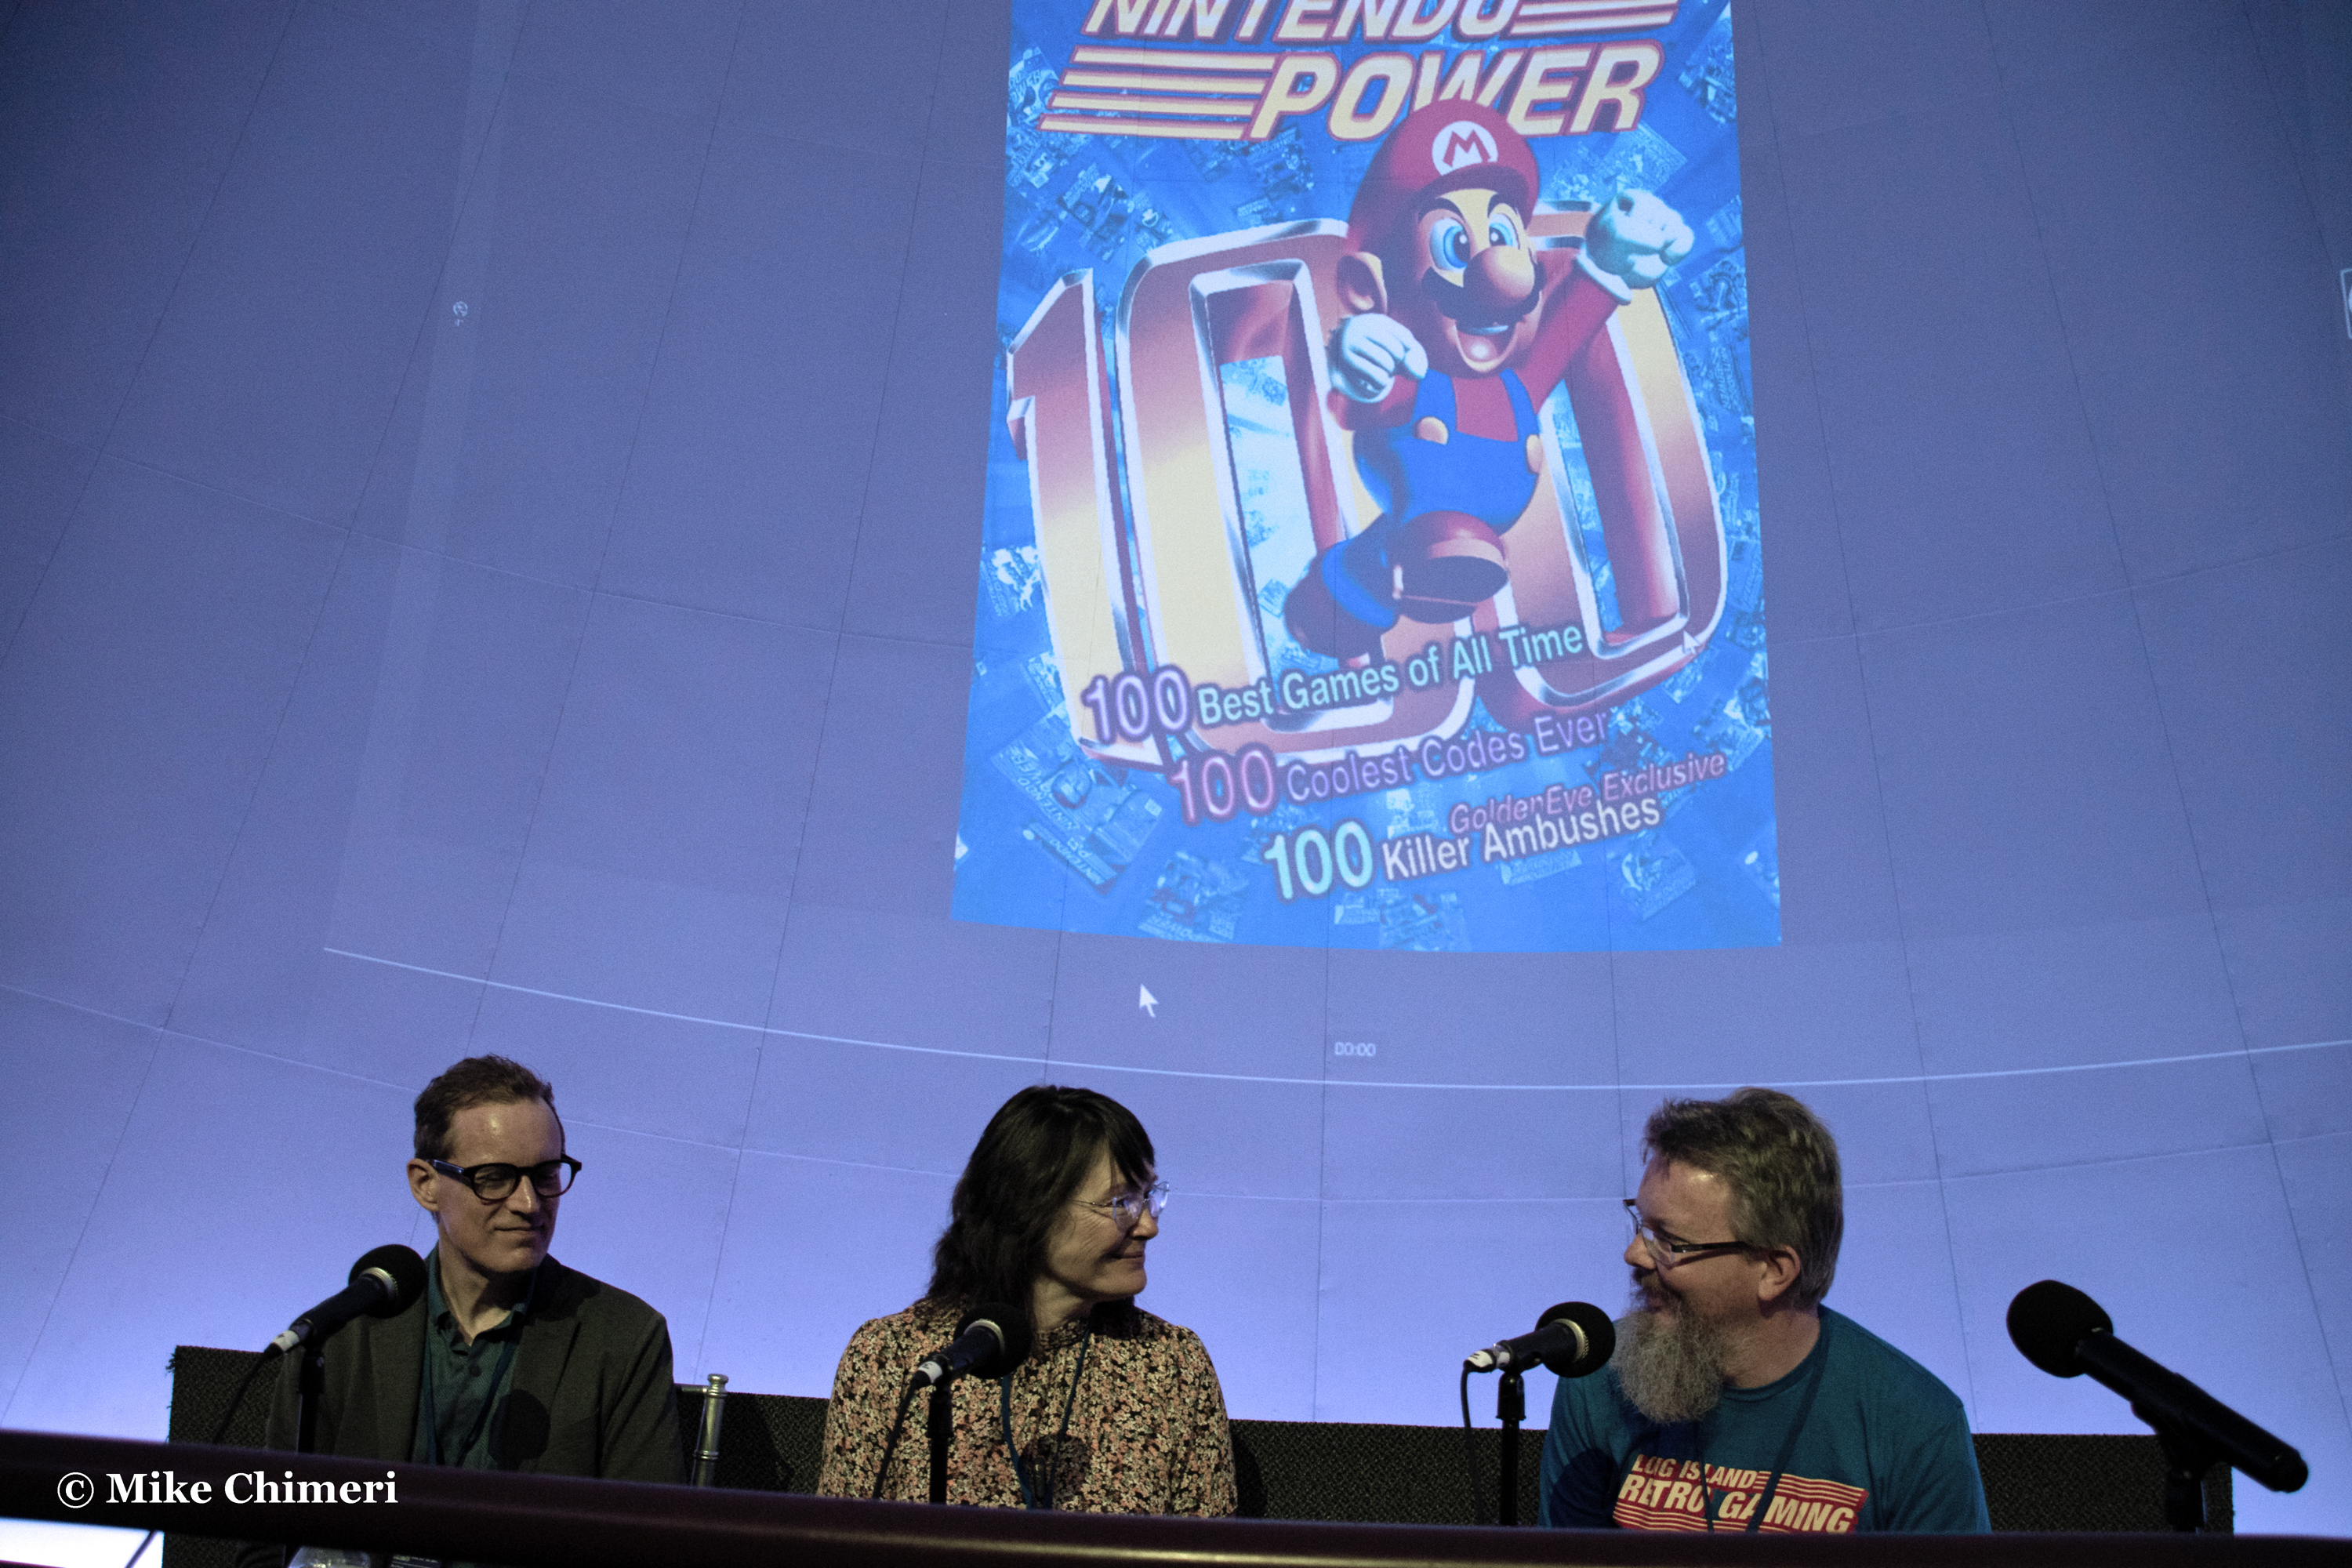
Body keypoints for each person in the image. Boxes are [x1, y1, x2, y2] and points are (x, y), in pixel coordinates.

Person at [239, 1057, 681, 1566]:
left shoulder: (624, 1337)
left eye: (545, 1175)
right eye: (494, 1178)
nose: (529, 1203)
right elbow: (267, 1545)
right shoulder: (340, 1333)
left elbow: (650, 1547)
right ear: (425, 1184)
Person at [1540, 1088, 1988, 1534]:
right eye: (1643, 1225)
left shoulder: (1915, 1426)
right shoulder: (1600, 1378)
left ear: (1774, 1270)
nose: (1634, 1255)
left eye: (1668, 1241)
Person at [817, 1085, 1235, 1514]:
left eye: (1148, 1197)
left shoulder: (1172, 1366)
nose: (1148, 1226)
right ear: (1028, 1209)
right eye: (1121, 1202)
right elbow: (840, 1540)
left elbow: (1208, 1546)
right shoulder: (892, 1357)